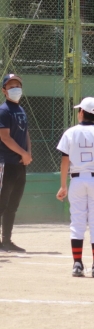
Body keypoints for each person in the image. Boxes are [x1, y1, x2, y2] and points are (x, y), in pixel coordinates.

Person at [56, 97, 94, 277]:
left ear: (81, 112)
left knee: (77, 222)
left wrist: (63, 185)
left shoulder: (70, 132)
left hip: (77, 180)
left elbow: (65, 161)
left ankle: (77, 264)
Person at [0, 74, 30, 252]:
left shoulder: (21, 109)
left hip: (20, 164)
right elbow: (4, 137)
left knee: (13, 205)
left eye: (17, 85)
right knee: (2, 203)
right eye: (11, 86)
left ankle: (6, 241)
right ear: (4, 90)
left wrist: (28, 154)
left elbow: (26, 134)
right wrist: (23, 153)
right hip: (6, 163)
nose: (15, 89)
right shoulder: (3, 111)